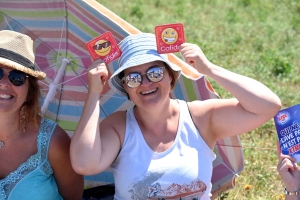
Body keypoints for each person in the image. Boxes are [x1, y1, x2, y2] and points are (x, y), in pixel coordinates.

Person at [70, 33, 281, 199]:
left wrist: (210, 69)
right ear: (126, 87)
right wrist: (94, 94)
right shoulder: (119, 126)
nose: (145, 83)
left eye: (155, 73)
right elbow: (84, 164)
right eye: (133, 78)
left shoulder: (200, 117)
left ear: (170, 76)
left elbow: (267, 106)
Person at [0, 30, 83, 199]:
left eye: (17, 77)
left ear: (29, 90)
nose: (4, 84)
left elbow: (73, 197)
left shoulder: (54, 141)